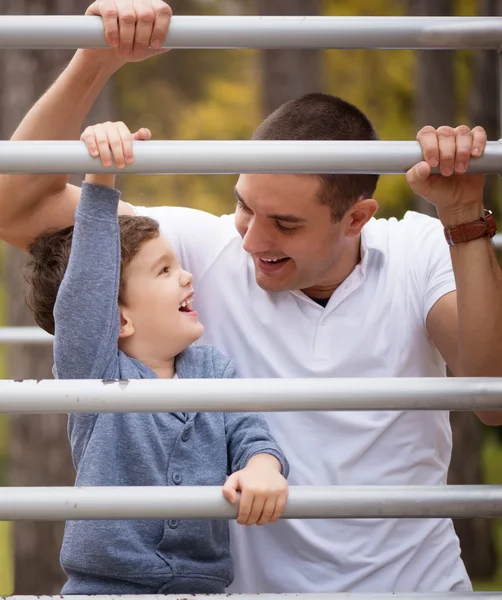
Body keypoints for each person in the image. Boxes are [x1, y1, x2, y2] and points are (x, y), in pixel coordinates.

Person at [1, 0, 502, 593]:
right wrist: (96, 60)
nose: (253, 238)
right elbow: (17, 207)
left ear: (355, 219)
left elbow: (490, 392)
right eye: (245, 205)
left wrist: (466, 218)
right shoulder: (199, 247)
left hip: (417, 587)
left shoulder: (418, 247)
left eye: (285, 225)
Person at [22, 124, 289, 595]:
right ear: (118, 319)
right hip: (105, 589)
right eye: (164, 270)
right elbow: (86, 295)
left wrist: (263, 466)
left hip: (203, 589)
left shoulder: (213, 371)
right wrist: (101, 185)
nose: (187, 276)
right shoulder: (96, 376)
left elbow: (251, 434)